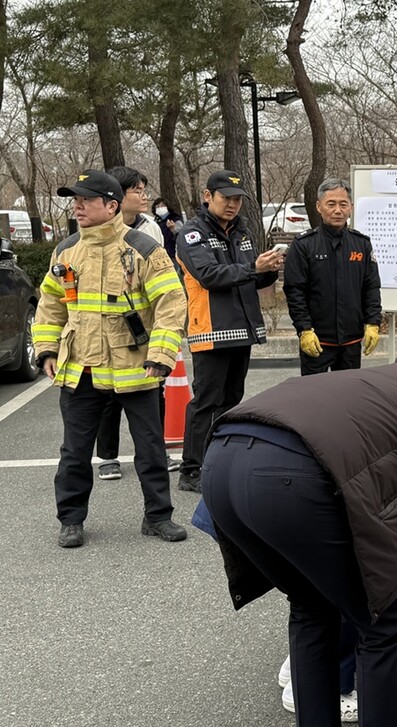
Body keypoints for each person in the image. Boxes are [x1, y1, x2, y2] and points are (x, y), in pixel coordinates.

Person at [200, 337, 397, 727]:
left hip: (219, 463)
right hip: (289, 479)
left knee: (313, 605)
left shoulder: (369, 392)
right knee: (386, 619)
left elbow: (386, 541)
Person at [31, 169, 188, 548]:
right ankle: (70, 520)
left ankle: (158, 517)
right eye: (75, 200)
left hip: (134, 365)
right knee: (74, 452)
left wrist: (161, 354)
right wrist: (47, 350)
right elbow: (50, 305)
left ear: (111, 205)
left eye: (86, 199)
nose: (78, 206)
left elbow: (171, 303)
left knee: (150, 448)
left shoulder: (144, 249)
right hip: (81, 367)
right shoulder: (66, 250)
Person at [175, 170, 282, 494]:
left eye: (237, 199)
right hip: (210, 329)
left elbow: (251, 277)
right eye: (226, 198)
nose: (233, 205)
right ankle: (190, 469)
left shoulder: (242, 232)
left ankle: (218, 458)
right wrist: (253, 269)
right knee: (206, 401)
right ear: (208, 197)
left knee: (232, 399)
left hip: (242, 327)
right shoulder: (192, 234)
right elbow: (209, 275)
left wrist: (268, 271)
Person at [94, 166, 180, 481]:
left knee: (152, 391)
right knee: (109, 396)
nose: (145, 196)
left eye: (145, 190)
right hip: (109, 329)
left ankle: (156, 451)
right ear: (117, 196)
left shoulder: (151, 228)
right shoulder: (98, 231)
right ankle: (107, 456)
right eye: (138, 191)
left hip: (145, 328)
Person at [283, 178, 382, 375]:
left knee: (348, 397)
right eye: (331, 204)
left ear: (351, 207)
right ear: (319, 207)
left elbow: (371, 287)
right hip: (317, 340)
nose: (338, 210)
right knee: (314, 397)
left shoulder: (361, 244)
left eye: (343, 204)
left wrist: (373, 323)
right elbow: (295, 291)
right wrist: (304, 329)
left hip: (351, 341)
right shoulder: (304, 245)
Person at [151, 197, 184, 261]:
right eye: (157, 206)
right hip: (161, 256)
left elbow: (181, 237)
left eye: (162, 206)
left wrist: (173, 229)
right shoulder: (155, 222)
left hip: (174, 255)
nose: (160, 208)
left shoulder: (175, 219)